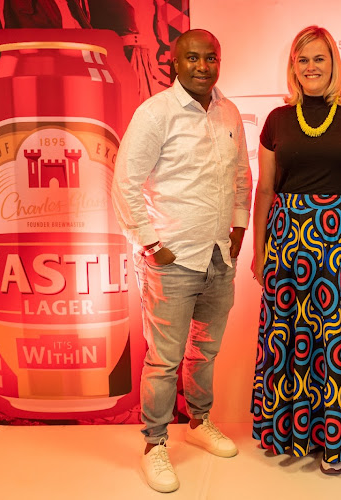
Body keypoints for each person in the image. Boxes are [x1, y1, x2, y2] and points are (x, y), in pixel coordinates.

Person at [112, 29, 251, 493]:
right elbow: (125, 184)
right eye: (192, 58)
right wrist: (152, 244)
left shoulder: (229, 111)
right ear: (174, 62)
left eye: (211, 57)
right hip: (173, 259)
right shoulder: (156, 113)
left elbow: (241, 176)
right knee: (164, 360)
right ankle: (155, 445)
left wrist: (237, 231)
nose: (203, 66)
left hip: (218, 257)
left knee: (205, 351)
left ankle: (199, 422)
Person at [250, 25, 341, 475]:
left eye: (319, 59)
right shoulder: (277, 120)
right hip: (289, 242)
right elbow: (266, 188)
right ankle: (295, 433)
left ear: (334, 64)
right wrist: (258, 250)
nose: (311, 67)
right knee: (291, 340)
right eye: (302, 60)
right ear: (293, 67)